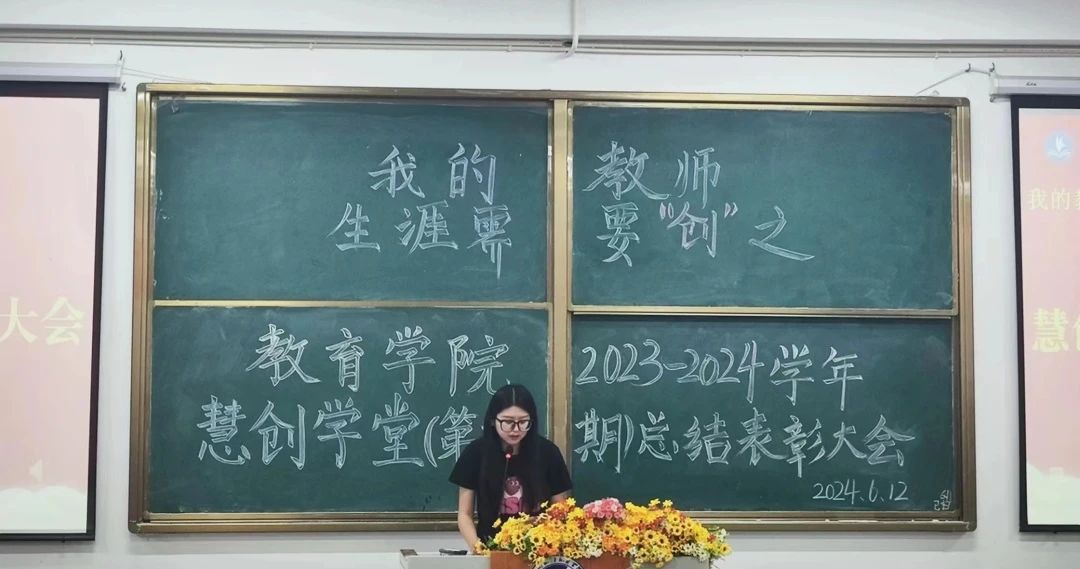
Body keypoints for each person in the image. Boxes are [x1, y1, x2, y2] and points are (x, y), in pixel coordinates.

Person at [449, 384, 572, 551]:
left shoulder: (548, 453)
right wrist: (478, 549)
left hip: (538, 550)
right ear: (493, 420)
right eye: (507, 422)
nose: (516, 429)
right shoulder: (475, 453)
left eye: (523, 422)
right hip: (491, 549)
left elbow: (561, 510)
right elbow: (464, 514)